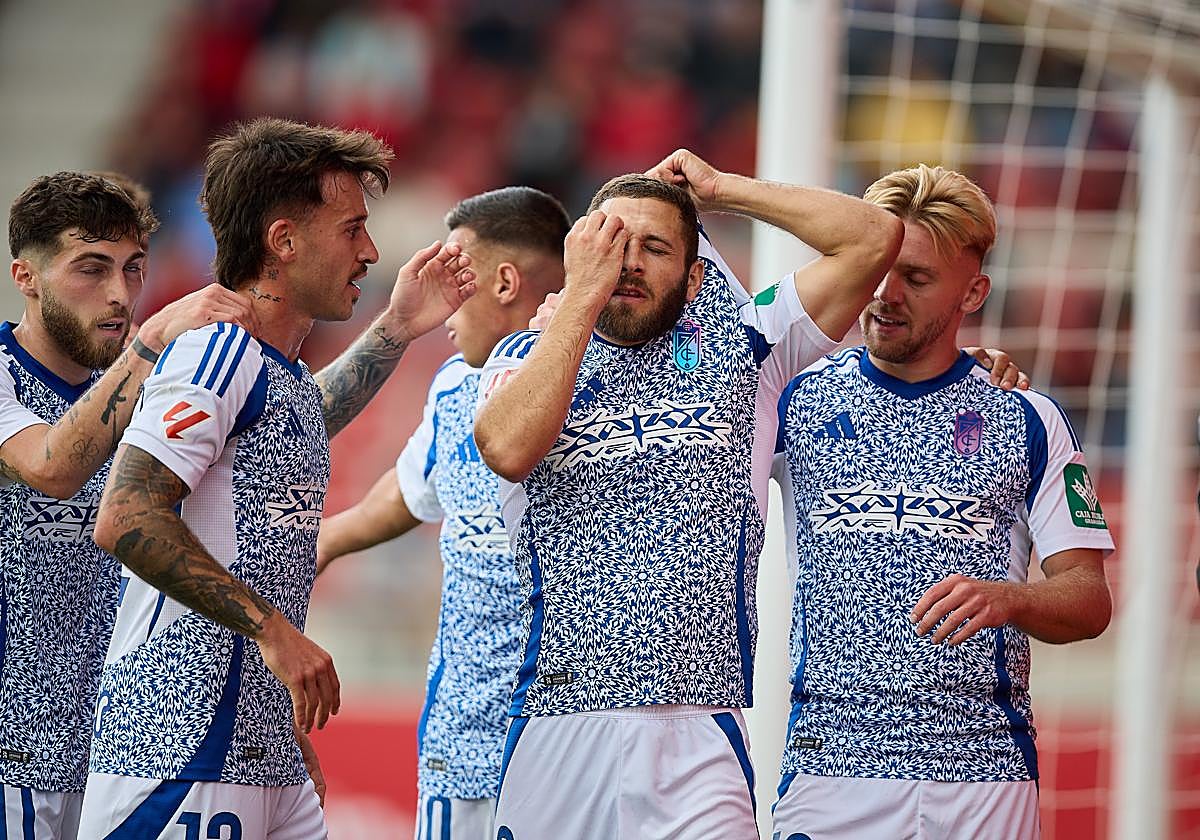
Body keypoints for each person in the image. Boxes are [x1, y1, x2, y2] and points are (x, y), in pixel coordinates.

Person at [471, 149, 904, 838]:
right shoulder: (528, 356)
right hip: (556, 721)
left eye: (654, 248)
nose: (631, 263)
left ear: (697, 276)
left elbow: (874, 239)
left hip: (698, 733)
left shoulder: (750, 346)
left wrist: (724, 189)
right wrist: (581, 298)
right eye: (613, 244)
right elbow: (506, 448)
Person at [83, 117, 476, 839]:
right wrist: (276, 634)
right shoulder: (217, 352)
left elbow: (296, 420)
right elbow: (127, 515)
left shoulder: (275, 372)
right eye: (352, 228)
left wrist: (395, 328)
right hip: (179, 748)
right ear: (284, 240)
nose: (370, 251)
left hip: (259, 750)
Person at [770, 164, 1114, 839]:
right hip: (830, 769)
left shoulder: (1027, 417)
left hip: (986, 778)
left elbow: (1090, 599)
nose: (886, 296)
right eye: (879, 272)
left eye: (918, 279)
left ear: (974, 290)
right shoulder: (792, 400)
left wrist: (1010, 599)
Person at [0, 170, 256, 838]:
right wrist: (152, 340)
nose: (119, 295)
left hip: (118, 755)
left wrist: (393, 332)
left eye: (135, 269)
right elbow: (52, 466)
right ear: (25, 276)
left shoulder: (143, 380)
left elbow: (275, 431)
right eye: (91, 269)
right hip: (14, 760)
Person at [316, 185, 569, 840]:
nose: (441, 298)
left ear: (506, 281)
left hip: (566, 732)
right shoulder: (456, 383)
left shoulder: (605, 377)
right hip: (460, 734)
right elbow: (413, 487)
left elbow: (693, 358)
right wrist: (325, 541)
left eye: (455, 272)